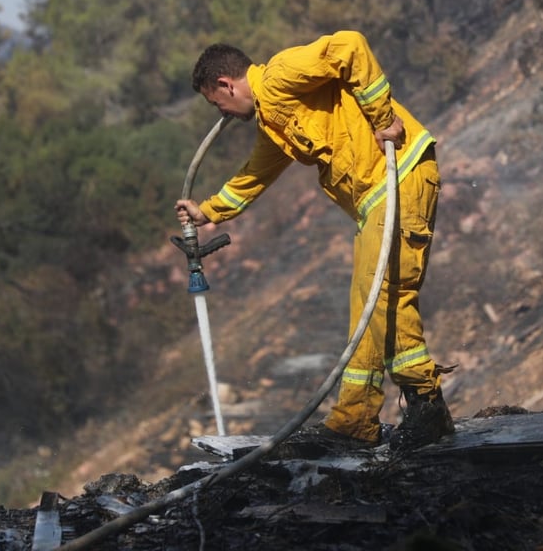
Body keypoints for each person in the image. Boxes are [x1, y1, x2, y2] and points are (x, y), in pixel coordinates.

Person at [174, 30, 453, 451]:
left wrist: (381, 119)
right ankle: (391, 414)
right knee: (376, 301)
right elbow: (257, 172)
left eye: (218, 103)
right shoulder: (273, 117)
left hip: (401, 176)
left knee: (378, 298)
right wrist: (209, 211)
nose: (224, 113)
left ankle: (392, 414)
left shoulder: (280, 75)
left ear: (226, 85)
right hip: (375, 199)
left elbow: (351, 46)